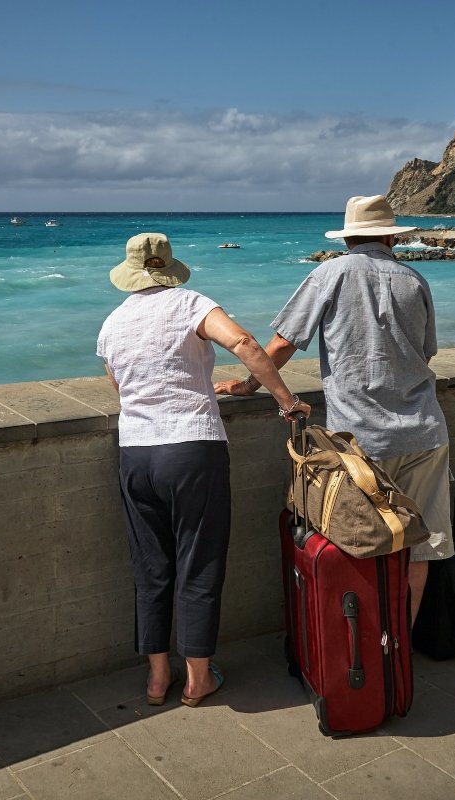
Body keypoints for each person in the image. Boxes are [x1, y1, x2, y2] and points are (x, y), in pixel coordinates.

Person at [215, 195, 452, 626]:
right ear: (392, 237)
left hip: (361, 441)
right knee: (424, 546)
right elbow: (426, 354)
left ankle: (365, 650)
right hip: (425, 432)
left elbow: (284, 342)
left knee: (361, 542)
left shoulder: (330, 273)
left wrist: (250, 384)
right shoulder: (414, 279)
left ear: (347, 238)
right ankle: (401, 646)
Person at [97, 232, 310, 708]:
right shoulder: (191, 304)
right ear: (169, 268)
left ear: (130, 274)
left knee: (150, 566)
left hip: (136, 452)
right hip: (192, 448)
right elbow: (245, 342)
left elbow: (122, 387)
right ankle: (197, 678)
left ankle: (156, 678)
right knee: (199, 560)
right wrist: (287, 402)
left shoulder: (112, 323)